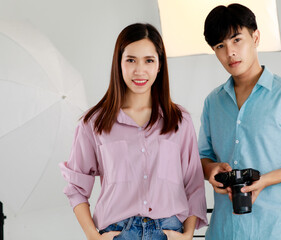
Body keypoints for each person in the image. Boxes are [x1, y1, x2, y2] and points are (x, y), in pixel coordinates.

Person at [59, 23, 207, 240]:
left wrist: (187, 235)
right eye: (131, 60)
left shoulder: (179, 121)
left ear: (159, 65)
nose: (139, 70)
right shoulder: (94, 123)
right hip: (117, 232)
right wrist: (93, 236)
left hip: (168, 231)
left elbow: (193, 184)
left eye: (148, 60)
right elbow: (76, 187)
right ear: (119, 64)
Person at [198, 4, 281, 240]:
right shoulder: (213, 102)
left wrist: (265, 181)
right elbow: (201, 157)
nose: (230, 52)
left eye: (236, 40)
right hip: (221, 232)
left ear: (256, 37)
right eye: (220, 46)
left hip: (272, 232)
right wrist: (210, 170)